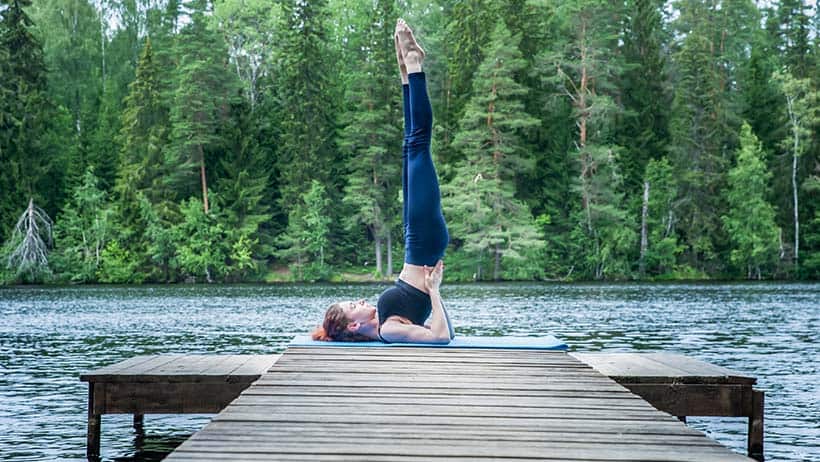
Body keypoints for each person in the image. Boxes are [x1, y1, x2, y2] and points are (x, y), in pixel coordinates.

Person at [312, 19, 454, 344]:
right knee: (418, 142)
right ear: (351, 325)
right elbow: (442, 337)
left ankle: (406, 72)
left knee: (409, 144)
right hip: (424, 243)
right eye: (353, 306)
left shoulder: (382, 320)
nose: (360, 301)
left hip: (413, 244)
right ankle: (415, 64)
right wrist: (434, 291)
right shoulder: (388, 330)